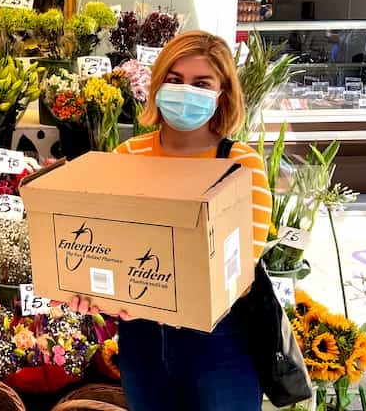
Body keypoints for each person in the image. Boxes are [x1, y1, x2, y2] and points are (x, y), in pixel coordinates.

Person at [69, 30, 272, 411]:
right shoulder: (127, 156)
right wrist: (93, 290)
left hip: (218, 341)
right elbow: (105, 240)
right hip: (141, 337)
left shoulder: (241, 166)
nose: (184, 91)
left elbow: (240, 271)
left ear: (222, 93)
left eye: (201, 84)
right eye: (175, 80)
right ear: (158, 84)